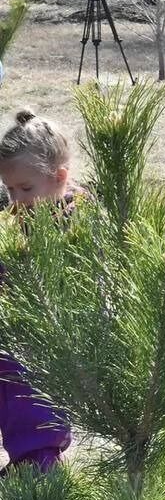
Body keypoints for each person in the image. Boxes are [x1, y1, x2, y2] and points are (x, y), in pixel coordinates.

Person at [0, 108, 74, 473]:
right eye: (9, 189)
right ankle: (23, 457)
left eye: (26, 189)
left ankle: (40, 460)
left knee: (30, 394)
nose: (16, 199)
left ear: (59, 177)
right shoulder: (16, 219)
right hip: (12, 327)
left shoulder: (74, 222)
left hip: (49, 335)